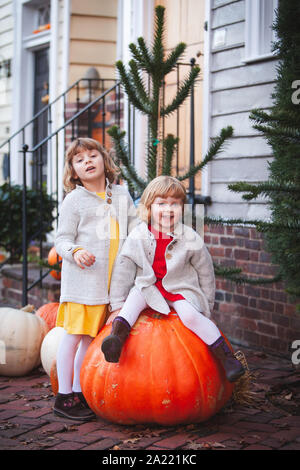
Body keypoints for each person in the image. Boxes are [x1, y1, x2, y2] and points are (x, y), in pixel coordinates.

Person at [102, 175, 245, 383]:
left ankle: (228, 360)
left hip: (180, 289)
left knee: (191, 317)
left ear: (182, 209)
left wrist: (207, 309)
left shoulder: (190, 237)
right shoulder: (138, 235)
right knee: (132, 303)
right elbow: (123, 270)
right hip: (148, 286)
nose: (168, 209)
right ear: (149, 207)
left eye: (174, 204)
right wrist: (116, 306)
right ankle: (116, 340)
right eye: (161, 203)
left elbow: (206, 273)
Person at [53, 137, 137, 420]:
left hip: (111, 286)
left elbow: (135, 229)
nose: (87, 161)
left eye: (92, 155)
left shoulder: (121, 196)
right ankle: (64, 396)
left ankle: (81, 391)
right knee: (73, 337)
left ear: (104, 160)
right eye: (79, 159)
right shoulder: (75, 200)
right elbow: (61, 239)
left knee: (91, 341)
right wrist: (75, 251)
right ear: (73, 171)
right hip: (83, 283)